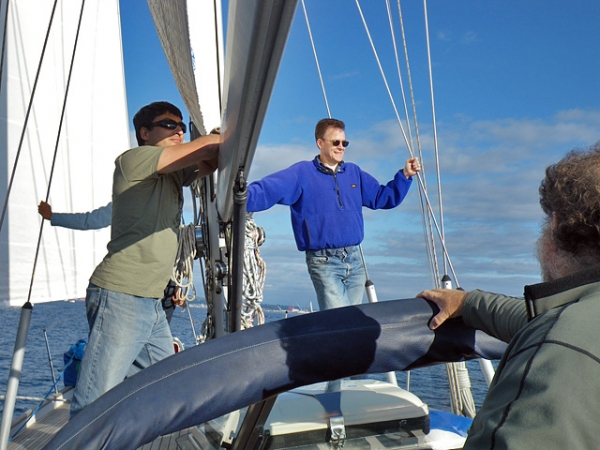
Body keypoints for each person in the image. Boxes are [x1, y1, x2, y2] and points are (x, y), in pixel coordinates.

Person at [417, 142, 600, 449]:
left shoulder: (560, 354)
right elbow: (537, 321)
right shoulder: (575, 322)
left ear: (555, 226)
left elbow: (556, 336)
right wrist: (468, 303)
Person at [69, 101, 219, 417]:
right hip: (121, 295)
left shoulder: (174, 174)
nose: (178, 129)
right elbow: (206, 146)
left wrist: (222, 144)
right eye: (169, 124)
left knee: (167, 383)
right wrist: (223, 132)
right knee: (93, 402)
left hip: (150, 300)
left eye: (181, 125)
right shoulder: (133, 160)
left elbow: (212, 160)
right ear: (145, 133)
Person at [246, 118, 420, 311]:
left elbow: (382, 197)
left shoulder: (354, 173)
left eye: (344, 143)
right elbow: (269, 189)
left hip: (354, 261)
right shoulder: (302, 173)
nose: (341, 147)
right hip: (324, 262)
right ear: (320, 143)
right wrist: (240, 199)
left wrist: (405, 176)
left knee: (352, 323)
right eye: (335, 142)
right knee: (340, 322)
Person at [38, 201, 181, 322]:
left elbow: (180, 243)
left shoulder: (144, 200)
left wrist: (179, 283)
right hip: (142, 287)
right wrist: (53, 217)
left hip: (160, 286)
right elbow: (92, 220)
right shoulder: (133, 200)